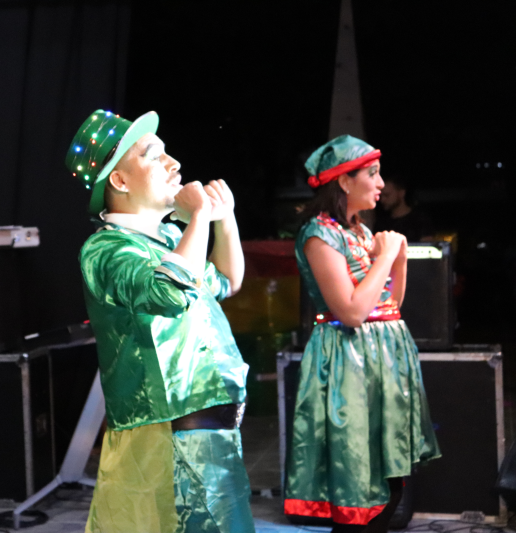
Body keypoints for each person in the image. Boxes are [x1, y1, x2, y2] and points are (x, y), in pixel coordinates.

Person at [68, 110, 254, 533]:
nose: (174, 163)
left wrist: (223, 218)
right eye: (154, 155)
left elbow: (226, 280)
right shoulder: (106, 248)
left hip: (208, 430)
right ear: (120, 180)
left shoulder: (171, 238)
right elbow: (169, 292)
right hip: (170, 437)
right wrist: (200, 218)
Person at [285, 135, 440, 532]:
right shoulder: (319, 234)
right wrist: (385, 257)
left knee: (390, 485)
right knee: (359, 484)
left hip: (382, 361)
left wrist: (398, 262)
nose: (381, 183)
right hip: (348, 363)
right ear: (344, 181)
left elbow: (389, 305)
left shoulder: (359, 231)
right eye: (372, 174)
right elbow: (352, 312)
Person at [375, 174, 433, 241]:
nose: (382, 200)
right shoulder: (382, 222)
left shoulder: (420, 220)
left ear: (402, 193)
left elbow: (427, 244)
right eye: (381, 196)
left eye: (387, 195)